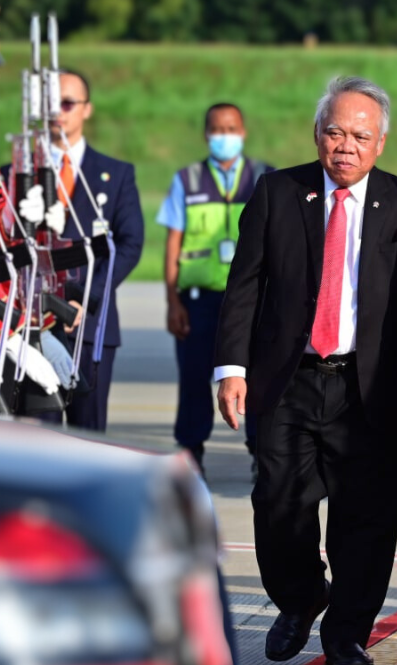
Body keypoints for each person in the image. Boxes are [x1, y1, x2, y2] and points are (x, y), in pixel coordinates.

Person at [215, 76, 397, 665]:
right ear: (317, 135)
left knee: (366, 517)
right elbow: (245, 286)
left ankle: (347, 632)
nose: (346, 146)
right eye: (334, 132)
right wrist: (232, 367)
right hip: (288, 380)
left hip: (369, 389)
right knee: (277, 505)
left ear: (380, 143)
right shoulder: (277, 192)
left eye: (360, 136)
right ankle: (302, 597)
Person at [158, 102, 273, 476]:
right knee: (193, 379)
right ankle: (191, 452)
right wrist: (172, 300)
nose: (225, 136)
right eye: (217, 130)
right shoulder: (187, 180)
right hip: (199, 300)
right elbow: (173, 243)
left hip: (251, 300)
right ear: (206, 134)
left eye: (231, 129)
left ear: (244, 132)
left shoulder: (264, 178)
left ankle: (259, 451)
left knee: (254, 377)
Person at [35, 68, 144, 431]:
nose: (58, 111)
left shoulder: (116, 173)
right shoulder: (20, 171)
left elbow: (130, 243)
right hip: (34, 323)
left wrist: (89, 298)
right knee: (36, 434)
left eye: (67, 103)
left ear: (86, 109)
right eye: (51, 102)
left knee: (88, 434)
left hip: (91, 324)